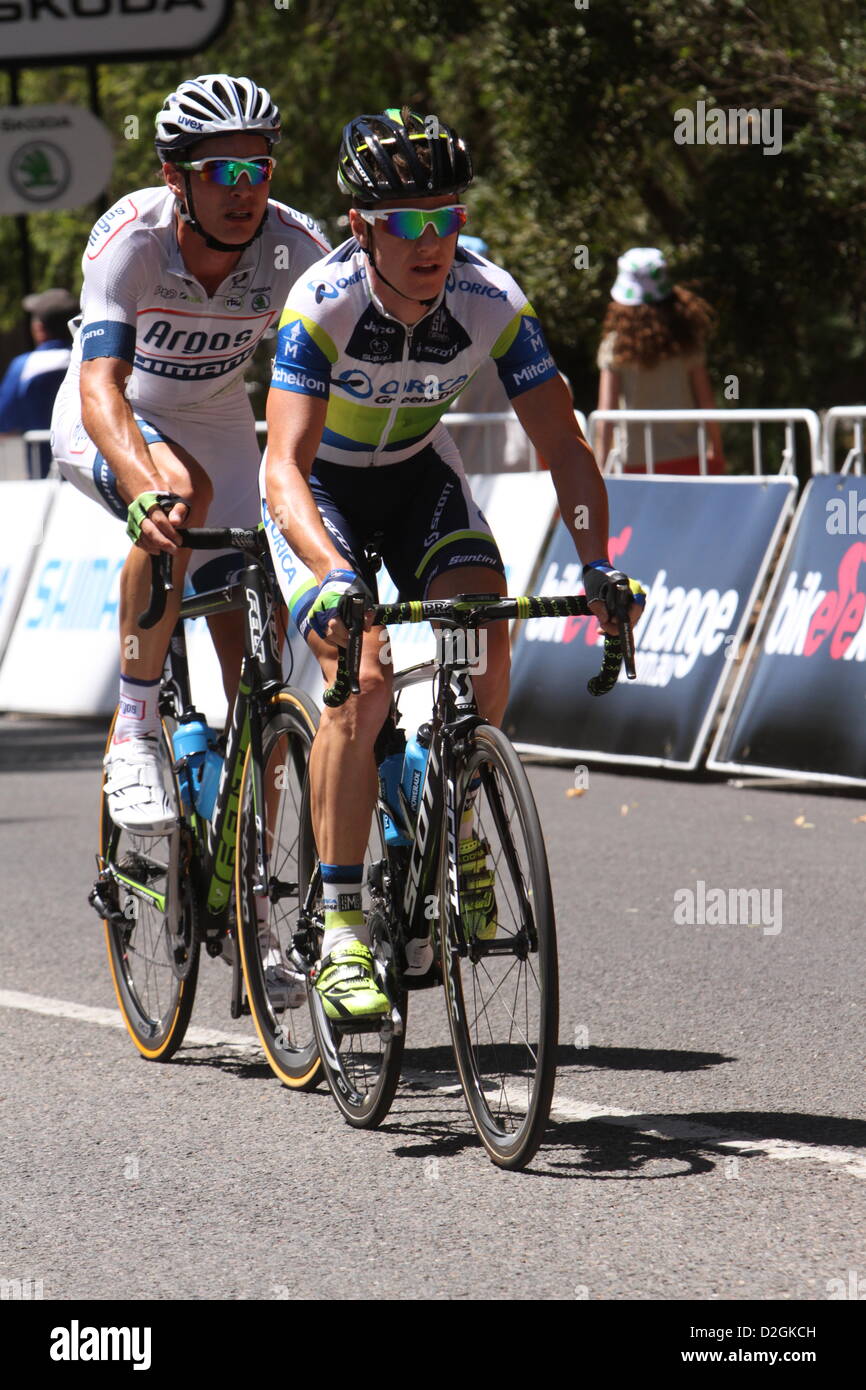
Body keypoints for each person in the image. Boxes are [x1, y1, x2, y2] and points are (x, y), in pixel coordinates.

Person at [262, 106, 644, 1020]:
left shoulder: (490, 299)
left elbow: (564, 444)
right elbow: (283, 466)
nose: (433, 242)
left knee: (484, 620)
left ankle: (459, 812)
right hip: (321, 497)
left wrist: (599, 568)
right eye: (409, 224)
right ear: (361, 228)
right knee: (361, 676)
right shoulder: (324, 302)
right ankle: (346, 929)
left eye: (448, 218)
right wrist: (334, 575)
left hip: (418, 478)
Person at [51, 74, 329, 836]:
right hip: (114, 414)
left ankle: (252, 892)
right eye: (223, 173)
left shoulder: (297, 248)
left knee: (262, 663)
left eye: (259, 170)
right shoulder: (130, 239)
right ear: (176, 177)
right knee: (177, 496)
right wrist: (143, 486)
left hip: (216, 421)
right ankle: (136, 732)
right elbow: (101, 385)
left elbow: (332, 381)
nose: (245, 191)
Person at [595, 247, 725, 473]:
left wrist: (598, 466)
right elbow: (706, 403)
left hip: (636, 461)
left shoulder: (615, 346)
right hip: (689, 456)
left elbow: (606, 414)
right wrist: (717, 450)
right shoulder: (687, 342)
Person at [0, 288, 76, 478]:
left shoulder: (24, 365)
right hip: (88, 471)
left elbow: (4, 421)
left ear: (39, 328)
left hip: (42, 472)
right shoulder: (87, 360)